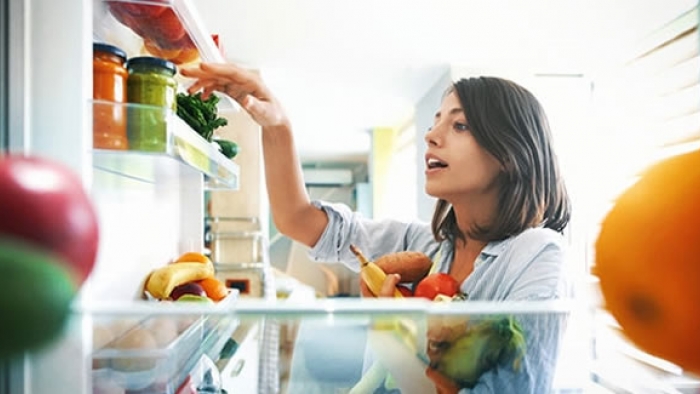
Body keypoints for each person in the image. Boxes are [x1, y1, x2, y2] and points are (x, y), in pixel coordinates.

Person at [181, 63, 572, 394]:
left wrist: (389, 335)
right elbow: (297, 219)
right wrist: (276, 123)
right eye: (436, 121)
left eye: (460, 126)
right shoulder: (426, 247)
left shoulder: (538, 255)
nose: (431, 135)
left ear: (509, 153)